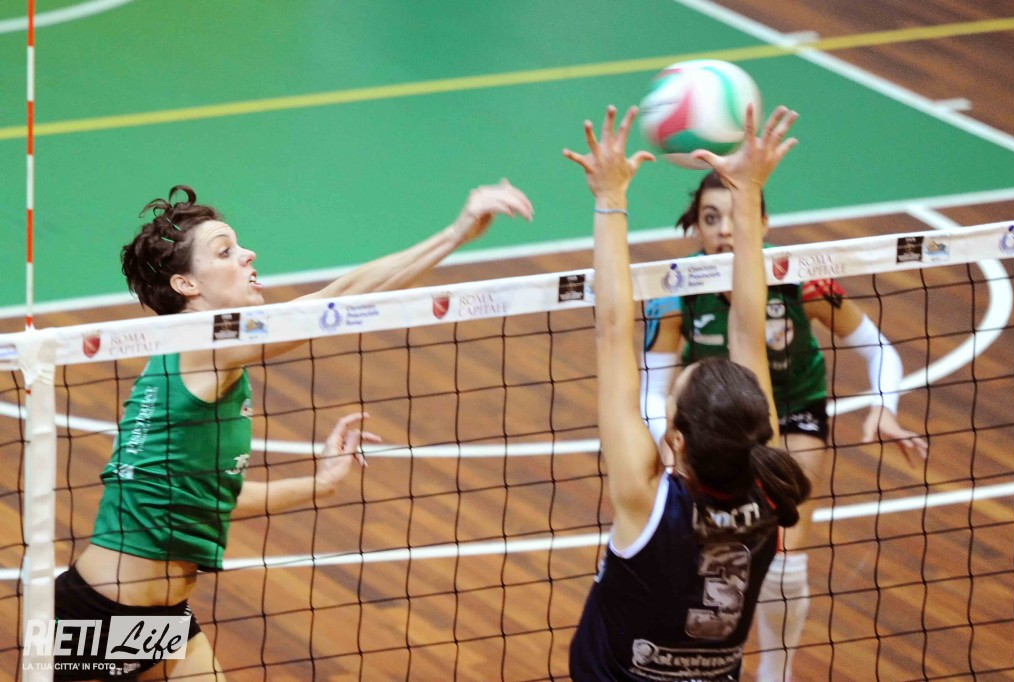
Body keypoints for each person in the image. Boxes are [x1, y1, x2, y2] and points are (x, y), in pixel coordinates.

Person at [54, 181, 533, 680]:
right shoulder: (203, 345)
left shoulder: (203, 361)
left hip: (161, 617)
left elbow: (207, 500)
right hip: (99, 616)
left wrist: (320, 484)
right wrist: (455, 234)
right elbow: (333, 301)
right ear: (186, 285)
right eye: (225, 251)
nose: (248, 254)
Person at [642, 172, 928, 681]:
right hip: (715, 424)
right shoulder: (674, 289)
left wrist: (886, 405)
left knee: (784, 563)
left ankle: (777, 674)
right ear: (697, 228)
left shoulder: (799, 277)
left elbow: (878, 348)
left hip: (794, 411)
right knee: (707, 560)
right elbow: (654, 387)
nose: (724, 229)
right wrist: (663, 442)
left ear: (764, 223)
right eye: (711, 218)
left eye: (737, 216)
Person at [563, 102, 810, 681]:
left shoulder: (648, 504)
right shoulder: (768, 491)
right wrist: (747, 193)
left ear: (674, 439)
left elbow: (612, 329)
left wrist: (610, 198)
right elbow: (749, 329)